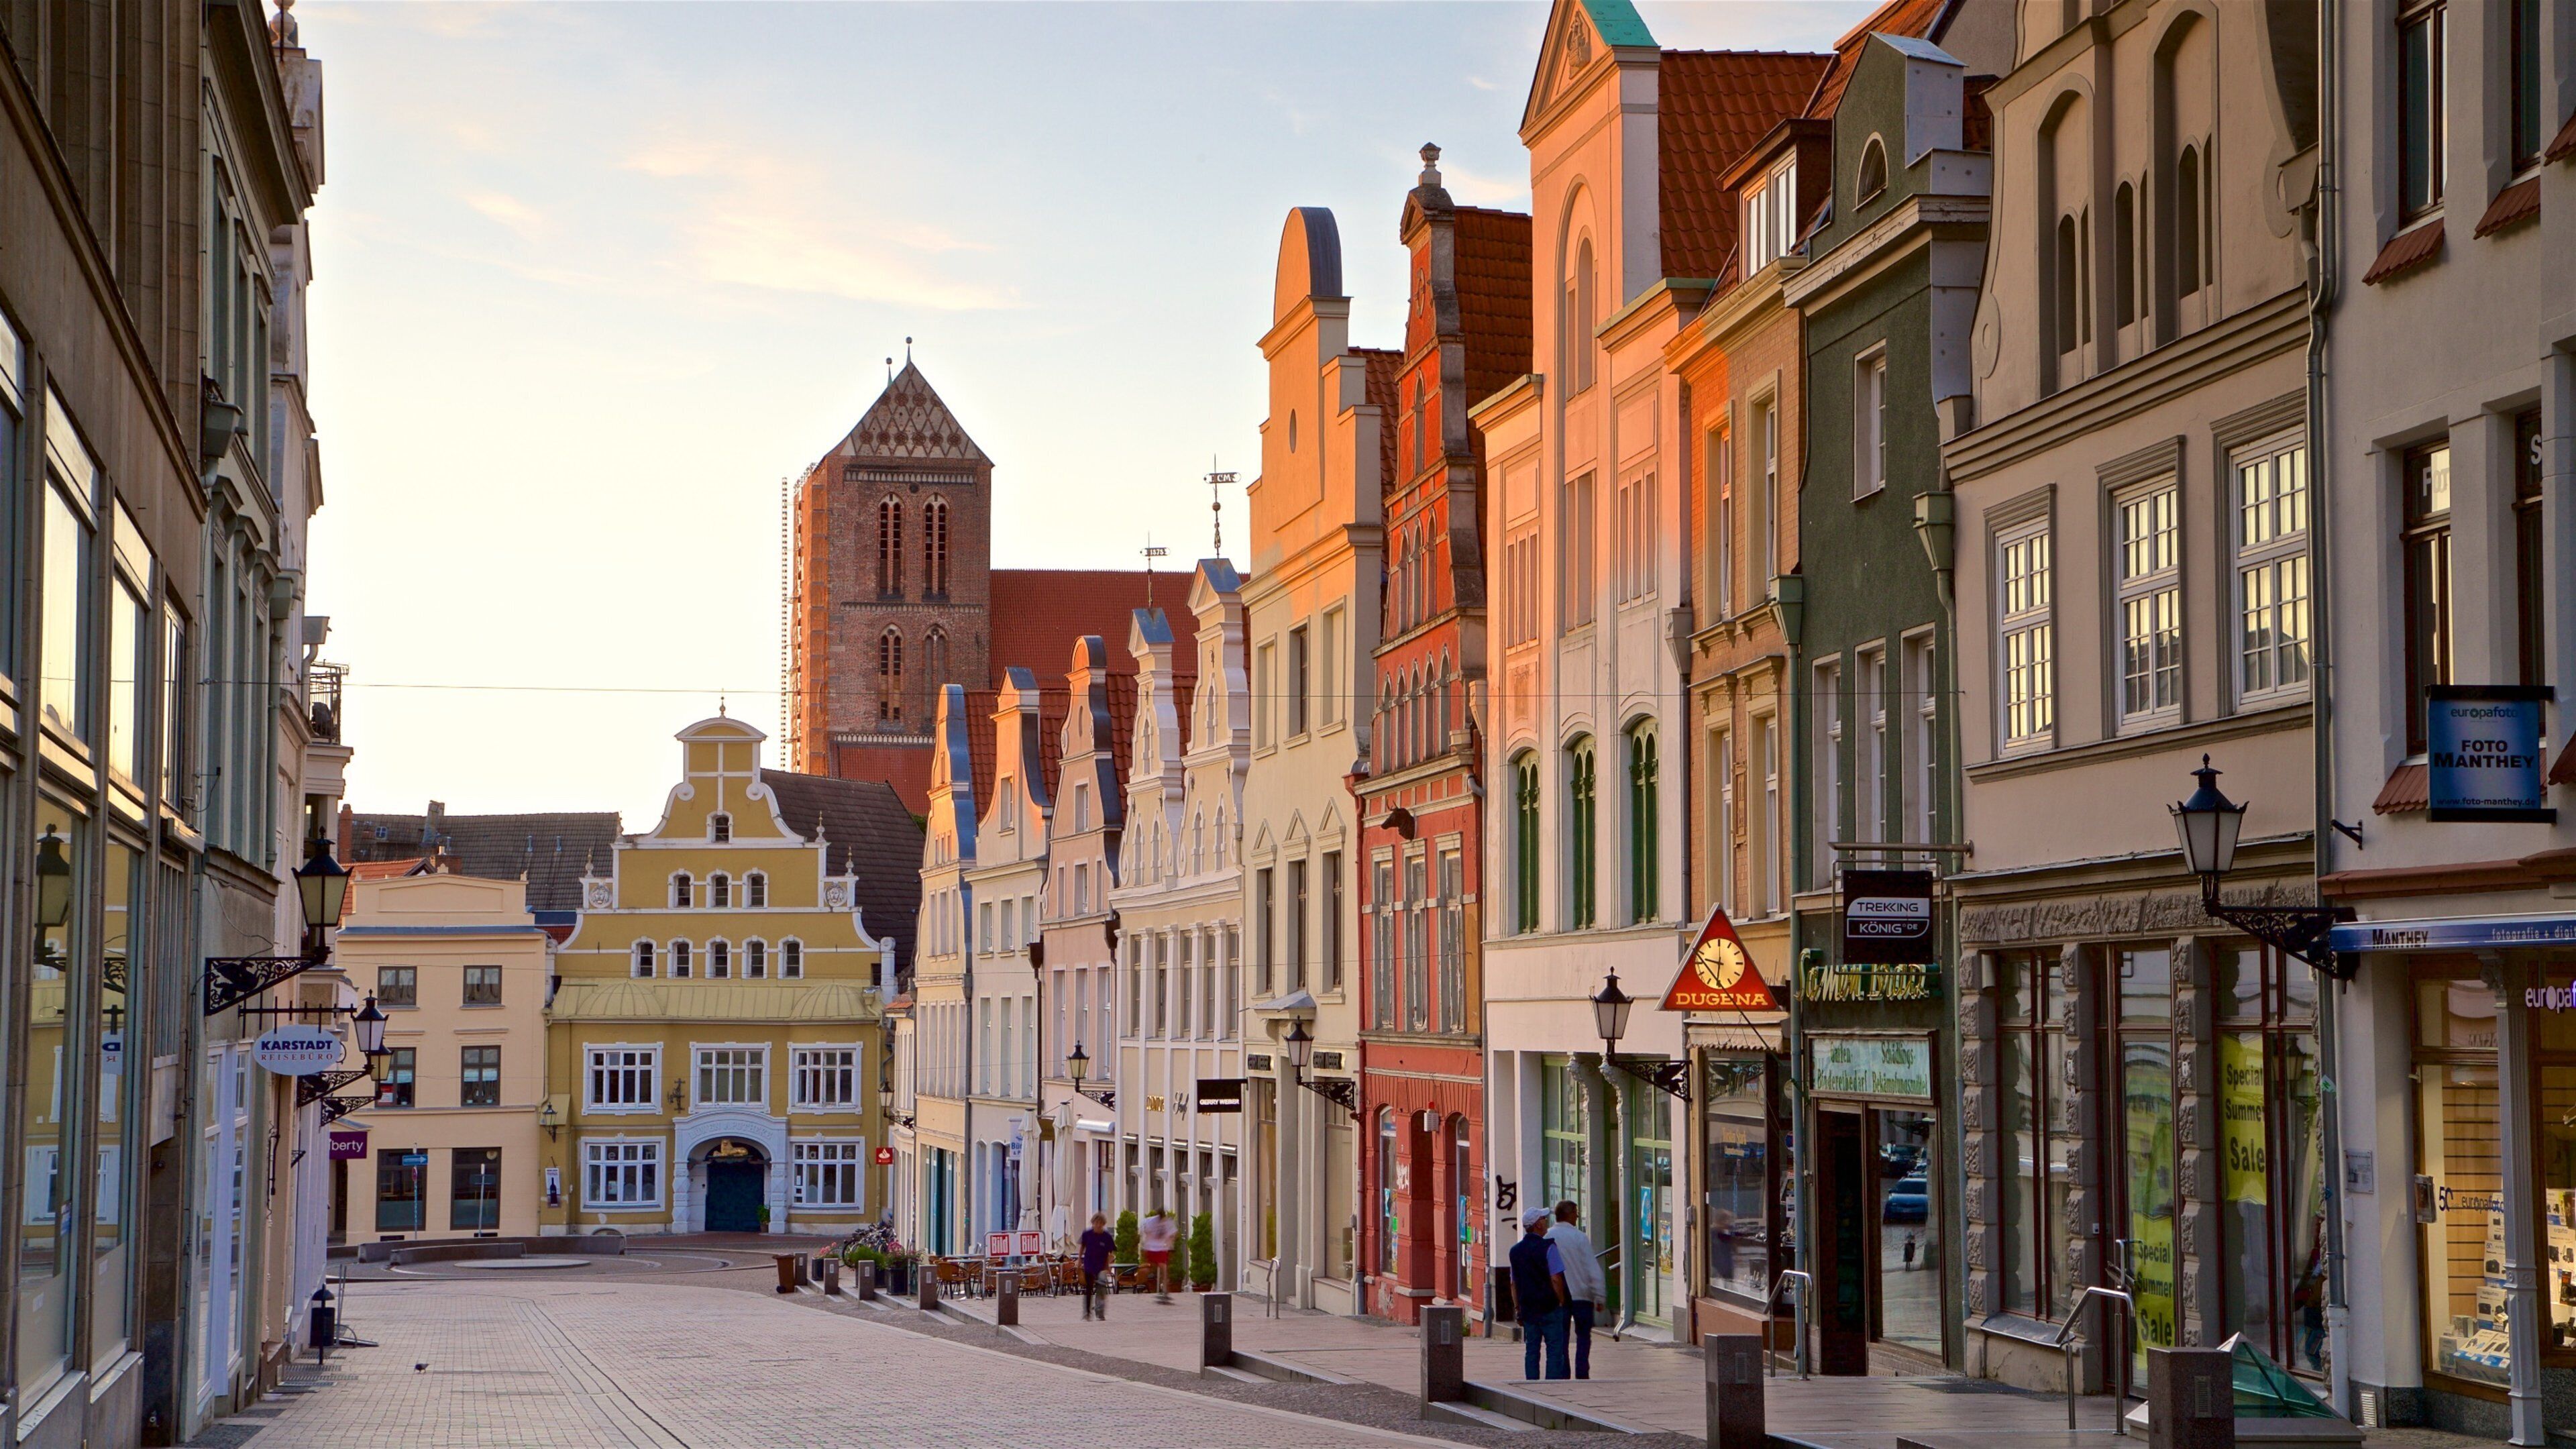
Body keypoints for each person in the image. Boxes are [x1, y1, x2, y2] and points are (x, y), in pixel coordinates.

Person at [1509, 1208, 1571, 1381]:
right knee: (1554, 1350)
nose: (1546, 1221)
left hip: (1528, 1308)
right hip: (1550, 1307)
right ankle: (1551, 1384)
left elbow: (1513, 1283)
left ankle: (1532, 1384)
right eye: (1544, 1218)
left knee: (1532, 1350)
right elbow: (1556, 1279)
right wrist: (1561, 1301)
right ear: (1537, 1225)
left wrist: (1517, 1308)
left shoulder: (1515, 1251)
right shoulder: (1548, 1247)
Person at [1548, 1200, 1605, 1381]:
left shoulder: (1548, 1237)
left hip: (1559, 1297)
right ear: (1569, 1214)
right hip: (1582, 1296)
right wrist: (1599, 1295)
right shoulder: (1579, 1238)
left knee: (1562, 1337)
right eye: (1576, 1212)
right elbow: (1592, 1267)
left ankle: (1564, 1373)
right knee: (1583, 1336)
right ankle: (1582, 1372)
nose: (1578, 1216)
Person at [1079, 1213, 1116, 1321]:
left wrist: (1108, 1267)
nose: (1098, 1225)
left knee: (1101, 1286)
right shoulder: (1087, 1234)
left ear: (1103, 1224)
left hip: (1101, 1266)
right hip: (1089, 1264)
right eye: (1096, 1223)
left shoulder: (1107, 1237)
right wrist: (1079, 1260)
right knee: (1089, 1288)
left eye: (1100, 1223)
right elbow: (1082, 1247)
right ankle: (1087, 1312)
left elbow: (1109, 1253)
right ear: (1093, 1223)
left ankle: (1100, 1312)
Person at [1139, 1206, 1180, 1303]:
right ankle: (1163, 1290)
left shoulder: (1152, 1221)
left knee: (1155, 1269)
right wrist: (1170, 1243)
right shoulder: (1167, 1222)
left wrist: (1145, 1242)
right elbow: (1174, 1234)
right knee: (1164, 1271)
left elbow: (1144, 1229)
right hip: (1160, 1249)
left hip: (1153, 1248)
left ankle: (1162, 1290)